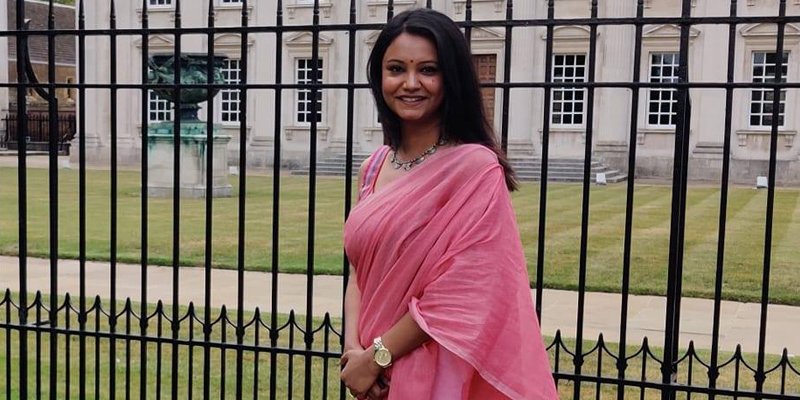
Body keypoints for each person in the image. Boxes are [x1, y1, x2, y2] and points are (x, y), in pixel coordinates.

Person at [340, 8, 558, 400]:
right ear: (380, 78)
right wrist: (353, 352)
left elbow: (464, 293)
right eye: (396, 69)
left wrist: (377, 358)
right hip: (369, 374)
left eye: (428, 69)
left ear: (450, 78)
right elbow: (360, 273)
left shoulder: (474, 168)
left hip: (434, 371)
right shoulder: (373, 167)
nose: (410, 83)